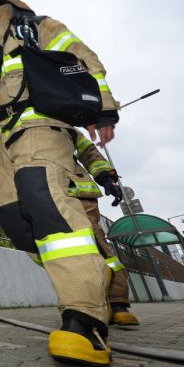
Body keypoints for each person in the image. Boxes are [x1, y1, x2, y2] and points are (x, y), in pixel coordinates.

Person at [0, 0, 120, 367]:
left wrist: (102, 106)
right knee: (18, 225)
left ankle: (85, 318)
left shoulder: (38, 28)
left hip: (38, 126)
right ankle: (91, 277)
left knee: (47, 205)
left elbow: (83, 58)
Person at [72, 133, 139, 326]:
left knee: (98, 245)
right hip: (45, 195)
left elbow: (88, 151)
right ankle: (89, 304)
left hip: (77, 191)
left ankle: (118, 303)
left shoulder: (61, 121)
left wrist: (106, 179)